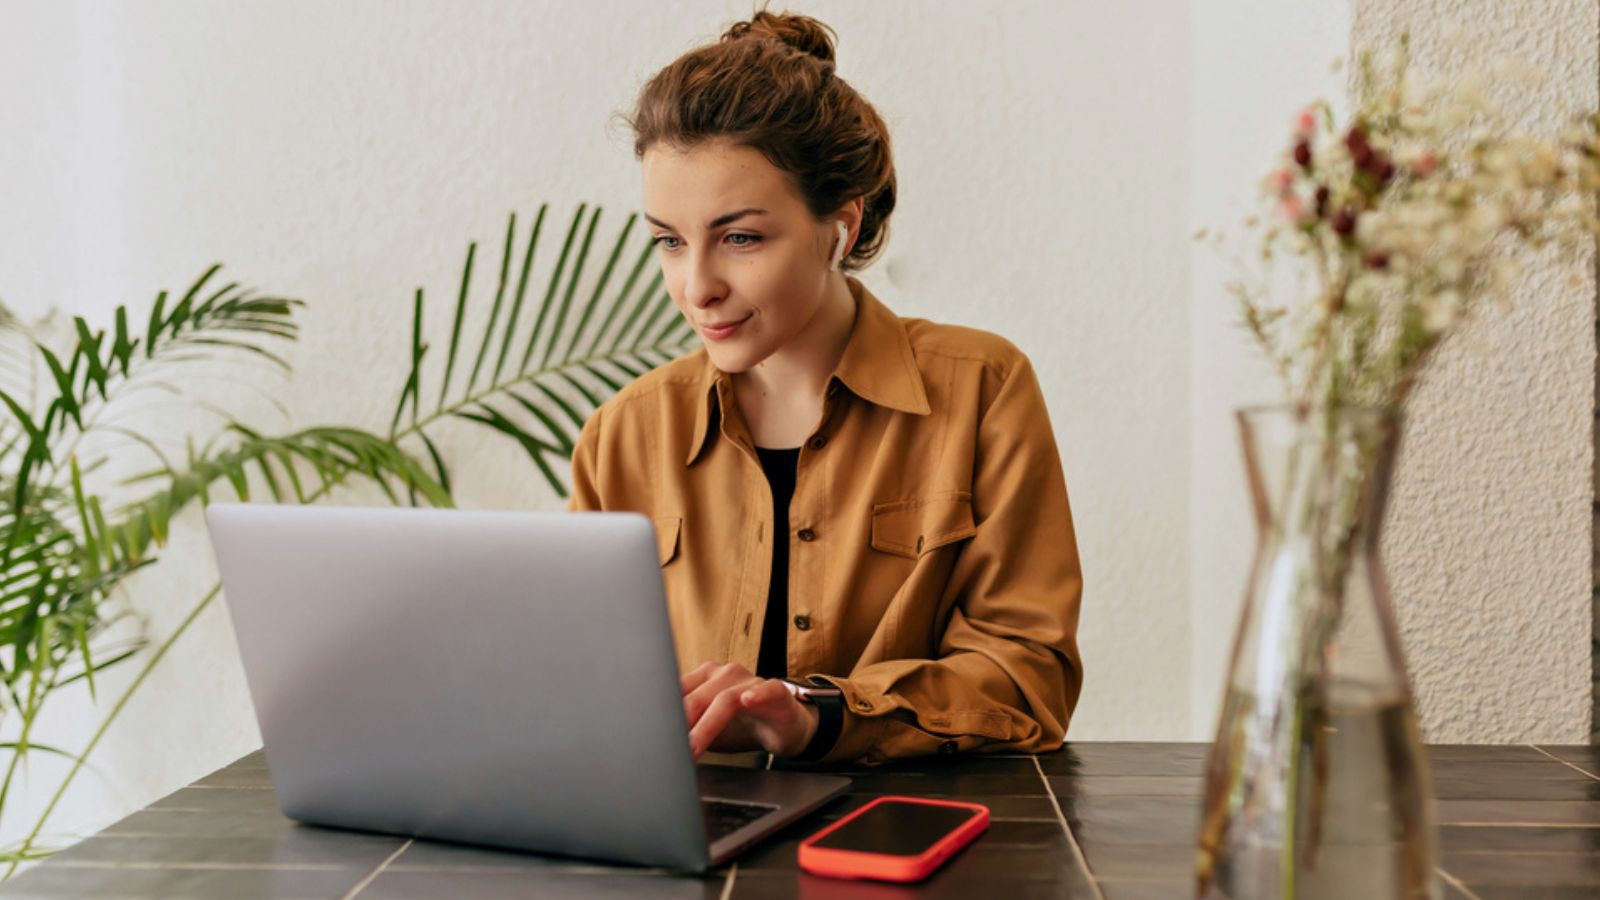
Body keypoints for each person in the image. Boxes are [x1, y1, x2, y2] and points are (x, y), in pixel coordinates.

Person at [569, 8, 1083, 767]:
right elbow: (580, 691)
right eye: (669, 242)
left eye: (740, 238)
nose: (695, 287)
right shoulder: (621, 436)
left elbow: (1026, 678)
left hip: (906, 837)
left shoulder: (983, 391)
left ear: (839, 229)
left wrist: (821, 714)